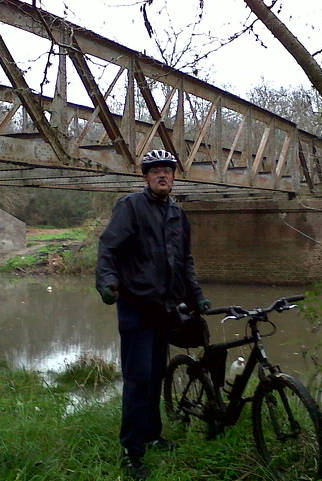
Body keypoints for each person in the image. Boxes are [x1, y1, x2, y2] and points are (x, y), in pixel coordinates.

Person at [96, 149, 211, 480]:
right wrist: (107, 283)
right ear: (145, 177)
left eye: (168, 170)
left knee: (157, 375)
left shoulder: (177, 214)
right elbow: (109, 249)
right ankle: (131, 451)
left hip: (166, 311)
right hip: (136, 308)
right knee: (138, 379)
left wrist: (198, 297)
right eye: (155, 170)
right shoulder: (130, 207)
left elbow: (184, 261)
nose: (163, 175)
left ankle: (152, 434)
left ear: (174, 177)